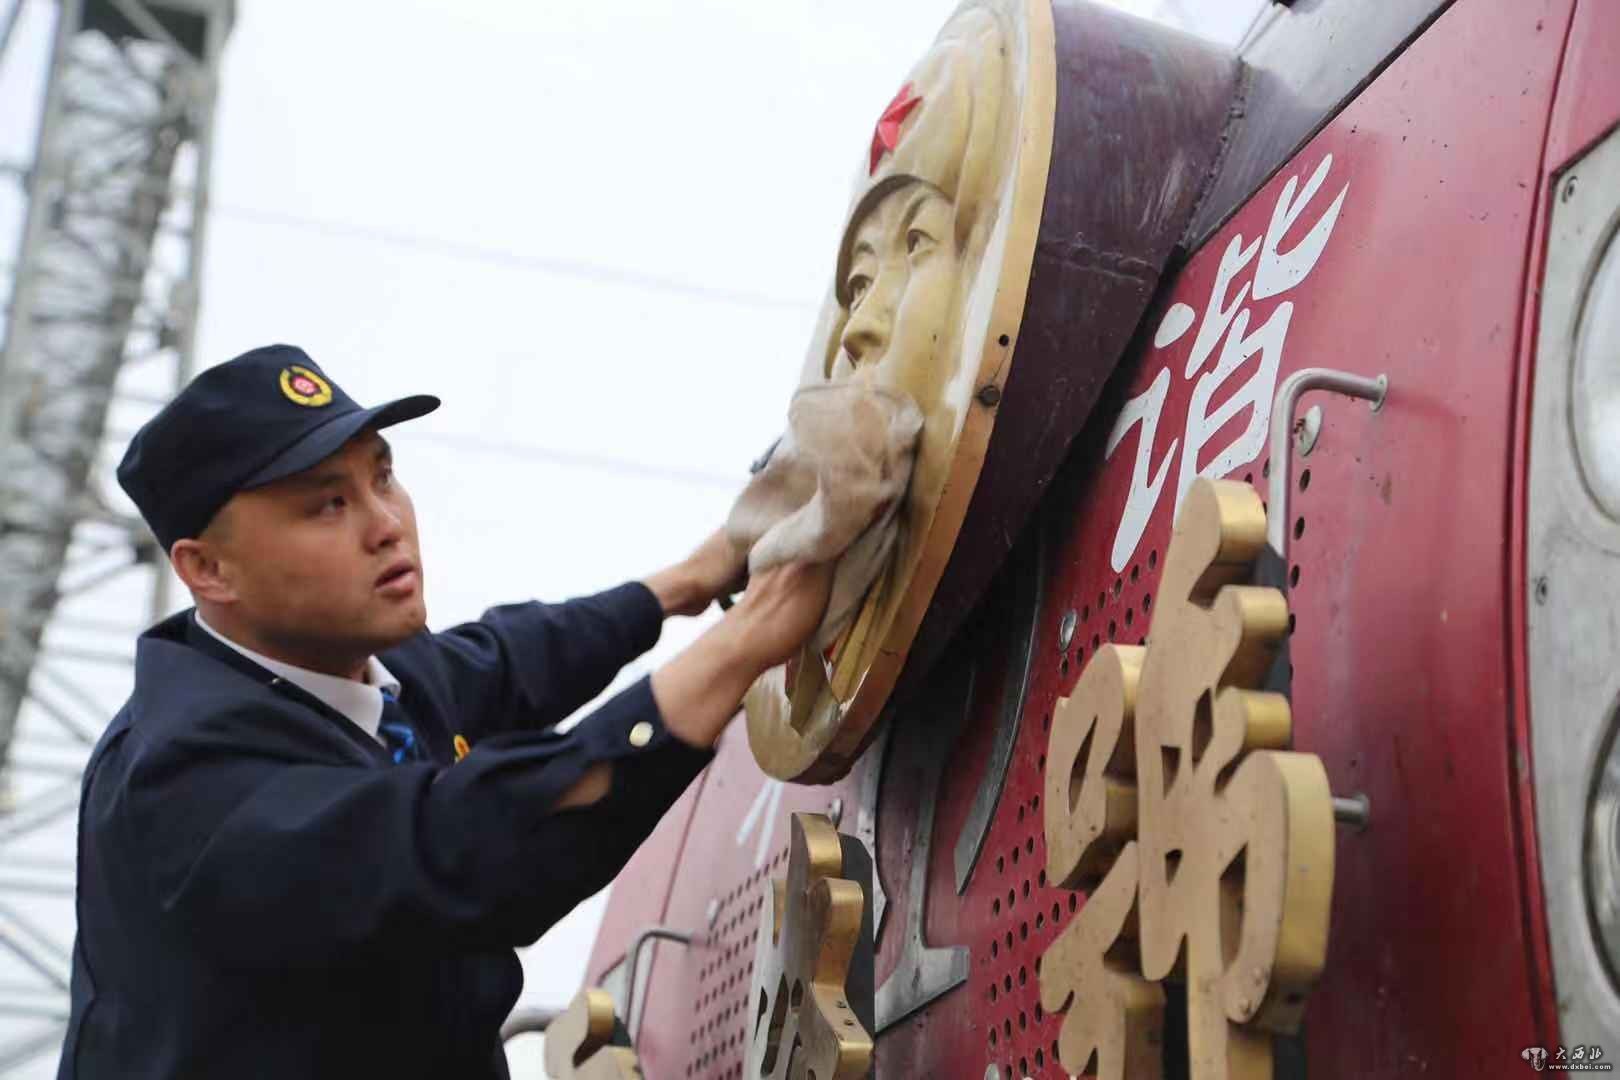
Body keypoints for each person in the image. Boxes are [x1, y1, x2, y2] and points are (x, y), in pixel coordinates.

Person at [55, 344, 832, 1079]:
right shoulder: (181, 784)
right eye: (327, 504)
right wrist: (747, 638)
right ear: (209, 570)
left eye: (383, 476)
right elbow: (461, 843)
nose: (386, 524)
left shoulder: (358, 670)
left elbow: (514, 655)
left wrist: (695, 576)